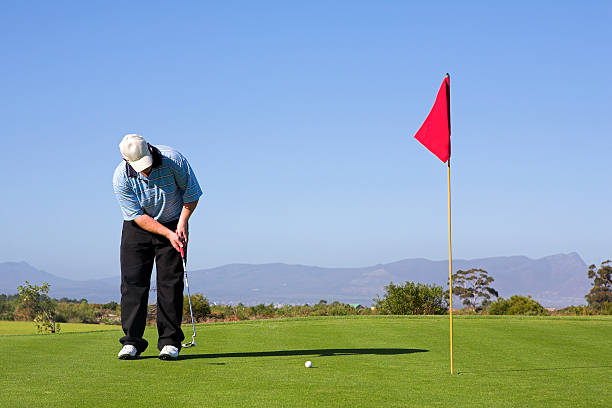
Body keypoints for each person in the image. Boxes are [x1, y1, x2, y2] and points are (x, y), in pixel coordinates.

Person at [112, 134, 202, 360]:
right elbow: (137, 216)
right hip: (138, 227)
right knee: (132, 283)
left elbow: (191, 194)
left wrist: (182, 224)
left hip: (174, 219)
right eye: (140, 167)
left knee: (170, 283)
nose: (146, 171)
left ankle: (170, 342)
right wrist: (167, 233)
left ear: (150, 148)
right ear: (125, 160)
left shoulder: (174, 160)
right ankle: (132, 342)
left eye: (147, 164)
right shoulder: (120, 178)